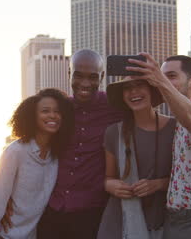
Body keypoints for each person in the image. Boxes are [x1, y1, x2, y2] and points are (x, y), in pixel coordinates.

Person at [127, 53, 191, 239]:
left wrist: (160, 81)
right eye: (162, 75)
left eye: (172, 76)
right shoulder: (179, 117)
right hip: (182, 217)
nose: (164, 81)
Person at [33, 49, 123, 239]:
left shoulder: (116, 106)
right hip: (51, 212)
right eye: (78, 76)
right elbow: (29, 149)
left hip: (92, 215)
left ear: (102, 77)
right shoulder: (59, 109)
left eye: (92, 77)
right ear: (69, 74)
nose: (85, 84)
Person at [0, 88, 74, 239]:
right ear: (32, 116)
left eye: (57, 111)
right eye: (45, 111)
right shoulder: (15, 151)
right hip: (3, 236)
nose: (52, 115)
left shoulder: (55, 156)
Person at [98, 77, 176, 239]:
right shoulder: (113, 132)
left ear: (152, 90)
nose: (133, 92)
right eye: (127, 88)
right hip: (119, 223)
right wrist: (112, 185)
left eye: (139, 85)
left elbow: (186, 179)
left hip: (165, 222)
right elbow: (108, 178)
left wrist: (158, 184)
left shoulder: (175, 128)